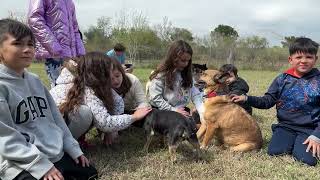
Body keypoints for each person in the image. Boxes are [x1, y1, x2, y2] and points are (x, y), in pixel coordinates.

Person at [0, 19, 97, 180]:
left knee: (90, 174)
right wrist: (40, 165)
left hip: (52, 153)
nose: (27, 49)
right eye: (17, 44)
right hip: (19, 161)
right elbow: (6, 138)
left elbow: (56, 119)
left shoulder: (35, 80)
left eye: (30, 44)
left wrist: (73, 148)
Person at [231, 37, 320, 166]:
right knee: (275, 151)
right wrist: (246, 98)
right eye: (299, 57)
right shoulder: (282, 79)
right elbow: (267, 101)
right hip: (286, 126)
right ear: (291, 59)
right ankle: (280, 132)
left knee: (306, 160)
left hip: (310, 128)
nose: (304, 61)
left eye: (309, 57)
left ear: (315, 59)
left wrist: (316, 135)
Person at [50, 52, 151, 146]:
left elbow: (117, 101)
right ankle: (65, 146)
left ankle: (74, 141)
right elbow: (104, 122)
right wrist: (134, 117)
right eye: (107, 71)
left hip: (61, 126)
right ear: (97, 74)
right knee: (85, 113)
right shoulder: (88, 90)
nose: (111, 76)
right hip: (51, 134)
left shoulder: (93, 85)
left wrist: (111, 131)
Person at [28, 0, 85, 88]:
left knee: (74, 88)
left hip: (72, 55)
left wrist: (80, 51)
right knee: (58, 87)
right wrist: (54, 47)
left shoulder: (69, 2)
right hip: (55, 54)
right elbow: (35, 20)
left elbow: (75, 27)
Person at [147, 40, 203, 119]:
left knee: (195, 122)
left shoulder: (186, 74)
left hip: (180, 110)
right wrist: (174, 110)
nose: (186, 64)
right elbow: (156, 98)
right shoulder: (160, 75)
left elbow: (195, 93)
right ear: (173, 58)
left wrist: (201, 110)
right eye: (183, 60)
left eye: (188, 61)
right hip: (161, 111)